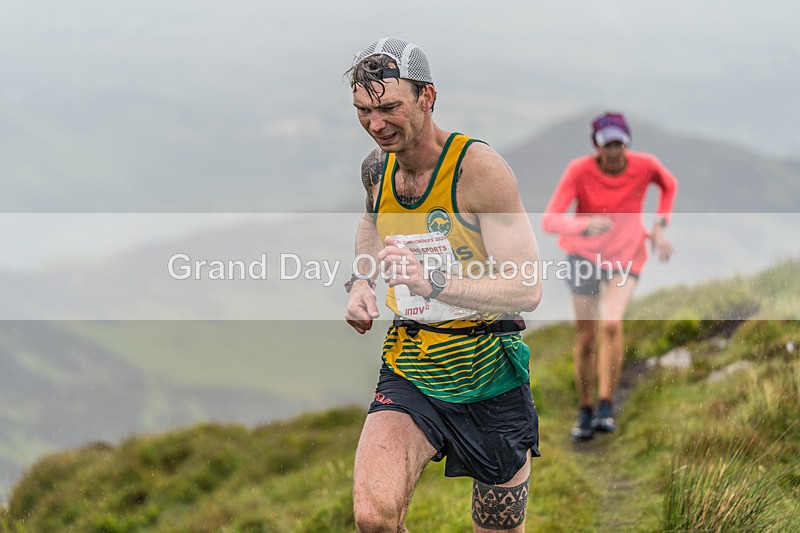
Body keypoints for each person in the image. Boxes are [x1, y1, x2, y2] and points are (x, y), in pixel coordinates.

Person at [343, 37, 542, 532]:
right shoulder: (376, 168)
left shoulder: (479, 170)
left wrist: (434, 284)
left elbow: (527, 289)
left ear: (428, 97)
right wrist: (362, 283)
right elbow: (371, 224)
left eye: (389, 107)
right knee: (374, 518)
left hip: (490, 375)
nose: (376, 124)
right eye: (363, 111)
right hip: (411, 366)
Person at [541, 112, 678, 442]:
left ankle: (605, 405)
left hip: (627, 255)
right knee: (586, 337)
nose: (614, 151)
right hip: (583, 256)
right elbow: (549, 220)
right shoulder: (579, 171)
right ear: (596, 146)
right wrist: (583, 225)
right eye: (608, 144)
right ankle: (585, 410)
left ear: (627, 143)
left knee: (612, 324)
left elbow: (669, 185)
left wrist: (659, 226)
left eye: (619, 143)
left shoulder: (645, 166)